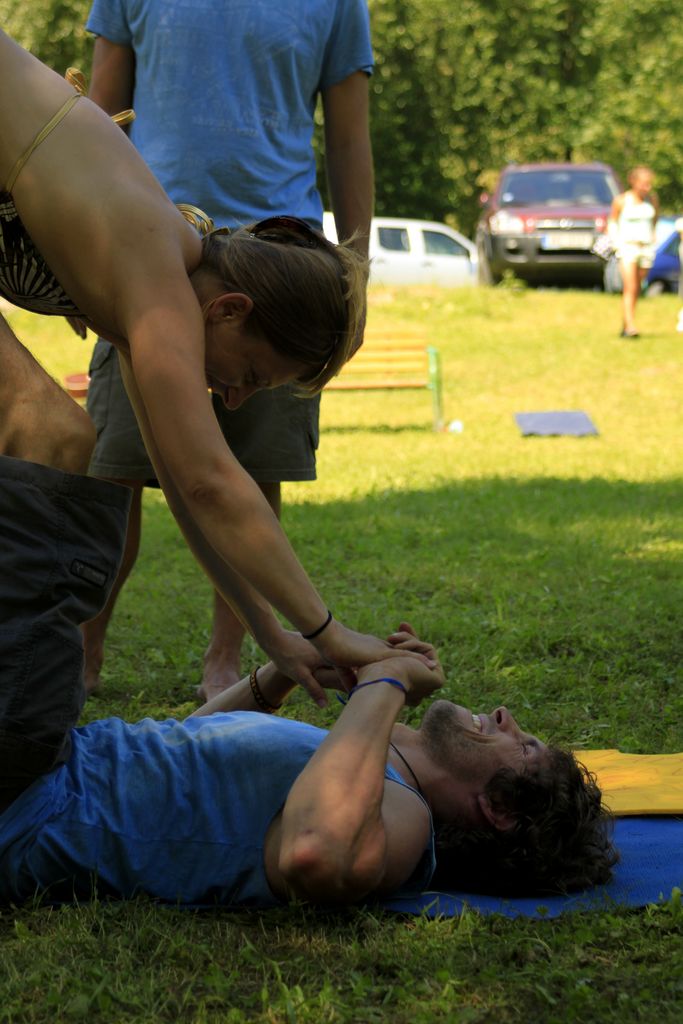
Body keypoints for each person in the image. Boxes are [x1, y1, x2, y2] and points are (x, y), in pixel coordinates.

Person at [0, 441, 617, 906]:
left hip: (28, 795)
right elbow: (177, 754)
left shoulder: (406, 824)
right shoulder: (373, 773)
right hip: (46, 754)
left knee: (48, 433)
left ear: (501, 812)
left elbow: (312, 854)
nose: (508, 719)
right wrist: (280, 675)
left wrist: (389, 684)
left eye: (524, 745)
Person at [0, 29, 400, 707]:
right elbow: (212, 482)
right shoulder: (157, 273)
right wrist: (331, 631)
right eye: (251, 373)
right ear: (230, 310)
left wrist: (275, 637)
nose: (236, 400)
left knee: (55, 438)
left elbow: (189, 492)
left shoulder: (147, 281)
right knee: (48, 436)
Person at [609, 166, 659, 339]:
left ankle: (626, 324)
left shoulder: (651, 200)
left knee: (638, 288)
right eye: (644, 184)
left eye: (649, 184)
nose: (647, 188)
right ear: (634, 182)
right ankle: (630, 326)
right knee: (630, 287)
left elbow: (654, 220)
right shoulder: (621, 201)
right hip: (628, 247)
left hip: (646, 248)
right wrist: (617, 244)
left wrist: (653, 237)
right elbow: (613, 223)